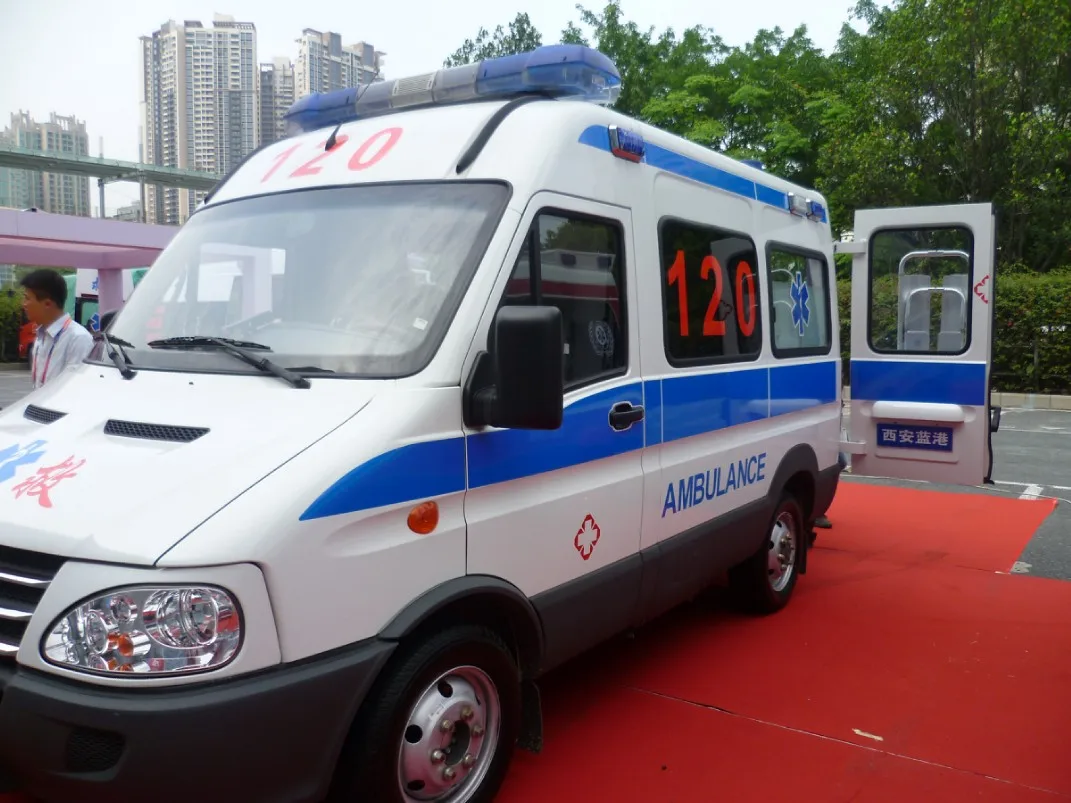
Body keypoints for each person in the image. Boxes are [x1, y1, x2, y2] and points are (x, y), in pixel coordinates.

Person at [21, 269, 95, 389]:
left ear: (47, 304)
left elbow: (76, 389)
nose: (23, 304)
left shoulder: (78, 338)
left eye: (27, 298)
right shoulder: (40, 338)